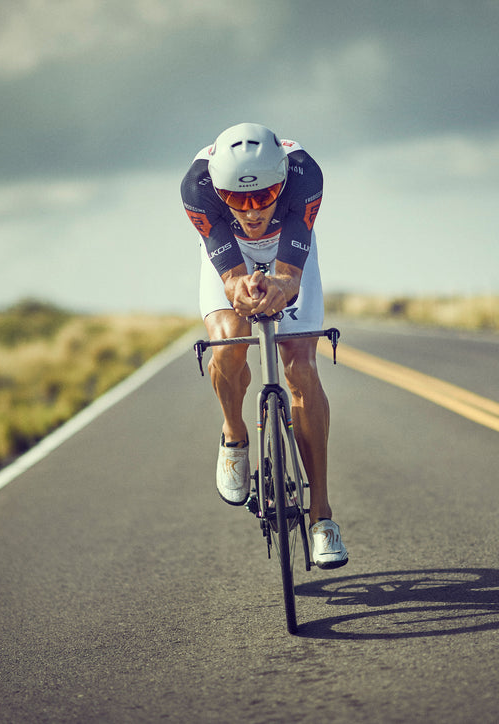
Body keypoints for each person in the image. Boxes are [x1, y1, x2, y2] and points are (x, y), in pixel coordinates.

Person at [180, 122, 348, 569]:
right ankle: (234, 434)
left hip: (287, 253)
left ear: (282, 181)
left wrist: (280, 285)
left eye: (264, 196)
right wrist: (243, 289)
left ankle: (322, 516)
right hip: (230, 253)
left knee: (301, 366)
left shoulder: (305, 175)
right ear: (220, 191)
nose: (252, 211)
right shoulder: (197, 188)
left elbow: (290, 277)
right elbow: (232, 281)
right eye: (237, 199)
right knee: (227, 346)